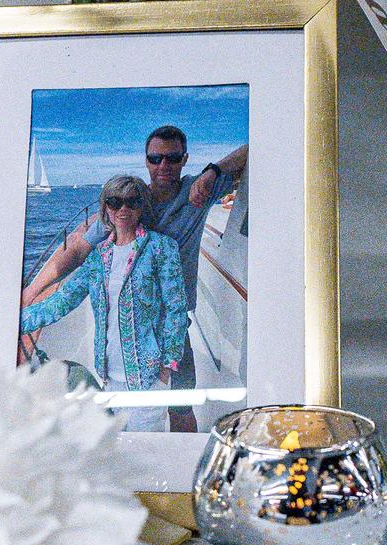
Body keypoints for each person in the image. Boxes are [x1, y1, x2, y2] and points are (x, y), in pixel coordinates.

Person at [20, 124, 247, 431]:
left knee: (180, 409)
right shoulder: (121, 221)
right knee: (125, 424)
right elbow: (73, 263)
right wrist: (29, 295)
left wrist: (211, 172)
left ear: (184, 159)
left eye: (172, 158)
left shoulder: (196, 196)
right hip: (120, 353)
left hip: (171, 335)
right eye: (155, 158)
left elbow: (250, 151)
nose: (163, 165)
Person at [20, 175, 188, 433]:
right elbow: (63, 301)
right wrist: (15, 321)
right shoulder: (99, 257)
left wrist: (168, 366)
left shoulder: (161, 248)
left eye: (132, 202)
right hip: (110, 374)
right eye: (115, 202)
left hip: (150, 375)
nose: (123, 209)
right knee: (118, 444)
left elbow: (176, 308)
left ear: (141, 207)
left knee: (146, 448)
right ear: (106, 209)